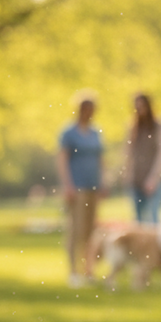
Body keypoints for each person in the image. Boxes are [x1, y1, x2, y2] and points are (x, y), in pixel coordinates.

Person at [57, 95, 105, 288]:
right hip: (76, 187)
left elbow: (101, 160)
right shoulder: (68, 133)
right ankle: (73, 272)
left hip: (93, 187)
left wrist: (103, 182)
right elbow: (62, 160)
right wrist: (67, 185)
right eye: (86, 109)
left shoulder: (95, 133)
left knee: (90, 231)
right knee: (75, 230)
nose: (89, 113)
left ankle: (88, 271)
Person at [125, 93, 161, 225]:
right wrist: (128, 174)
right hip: (136, 179)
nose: (139, 109)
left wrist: (153, 178)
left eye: (142, 106)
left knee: (153, 219)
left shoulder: (160, 126)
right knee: (138, 221)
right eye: (136, 107)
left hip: (155, 180)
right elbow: (128, 153)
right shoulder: (133, 127)